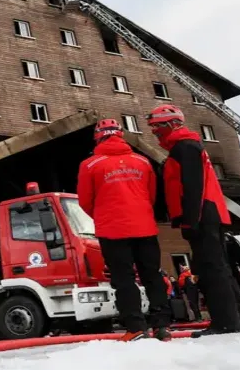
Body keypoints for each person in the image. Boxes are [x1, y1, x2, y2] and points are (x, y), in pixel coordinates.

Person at [148, 103, 240, 337]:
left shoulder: (185, 147)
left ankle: (226, 323)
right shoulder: (184, 146)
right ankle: (235, 318)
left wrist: (191, 220)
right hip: (206, 213)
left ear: (172, 124)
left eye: (157, 127)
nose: (154, 132)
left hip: (202, 214)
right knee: (216, 267)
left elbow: (193, 186)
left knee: (212, 268)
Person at [78, 118, 171, 341]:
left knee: (124, 278)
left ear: (98, 137)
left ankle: (136, 327)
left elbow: (85, 201)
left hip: (112, 231)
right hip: (145, 228)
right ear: (121, 134)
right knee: (152, 276)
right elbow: (151, 195)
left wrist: (104, 215)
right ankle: (162, 327)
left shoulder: (89, 165)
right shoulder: (142, 161)